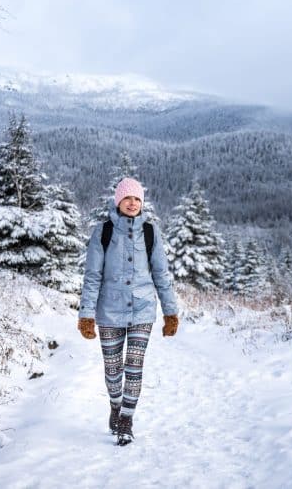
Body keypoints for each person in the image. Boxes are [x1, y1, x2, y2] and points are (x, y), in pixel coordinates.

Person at [77, 177, 179, 446]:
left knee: (134, 366)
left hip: (142, 310)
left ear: (141, 203)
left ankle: (126, 421)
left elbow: (162, 274)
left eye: (137, 199)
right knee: (113, 370)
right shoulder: (103, 232)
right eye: (127, 198)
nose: (132, 203)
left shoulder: (151, 232)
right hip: (109, 311)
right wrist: (86, 315)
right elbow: (92, 276)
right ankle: (115, 405)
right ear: (118, 201)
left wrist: (171, 313)